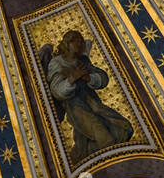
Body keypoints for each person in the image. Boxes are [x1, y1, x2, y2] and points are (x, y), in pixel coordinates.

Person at [43, 30, 133, 163]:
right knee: (105, 137)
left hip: (93, 103)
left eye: (81, 41)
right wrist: (71, 79)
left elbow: (103, 78)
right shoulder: (57, 63)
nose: (80, 44)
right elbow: (56, 91)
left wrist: (88, 78)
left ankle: (81, 155)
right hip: (76, 108)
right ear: (68, 43)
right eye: (76, 41)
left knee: (124, 129)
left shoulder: (83, 60)